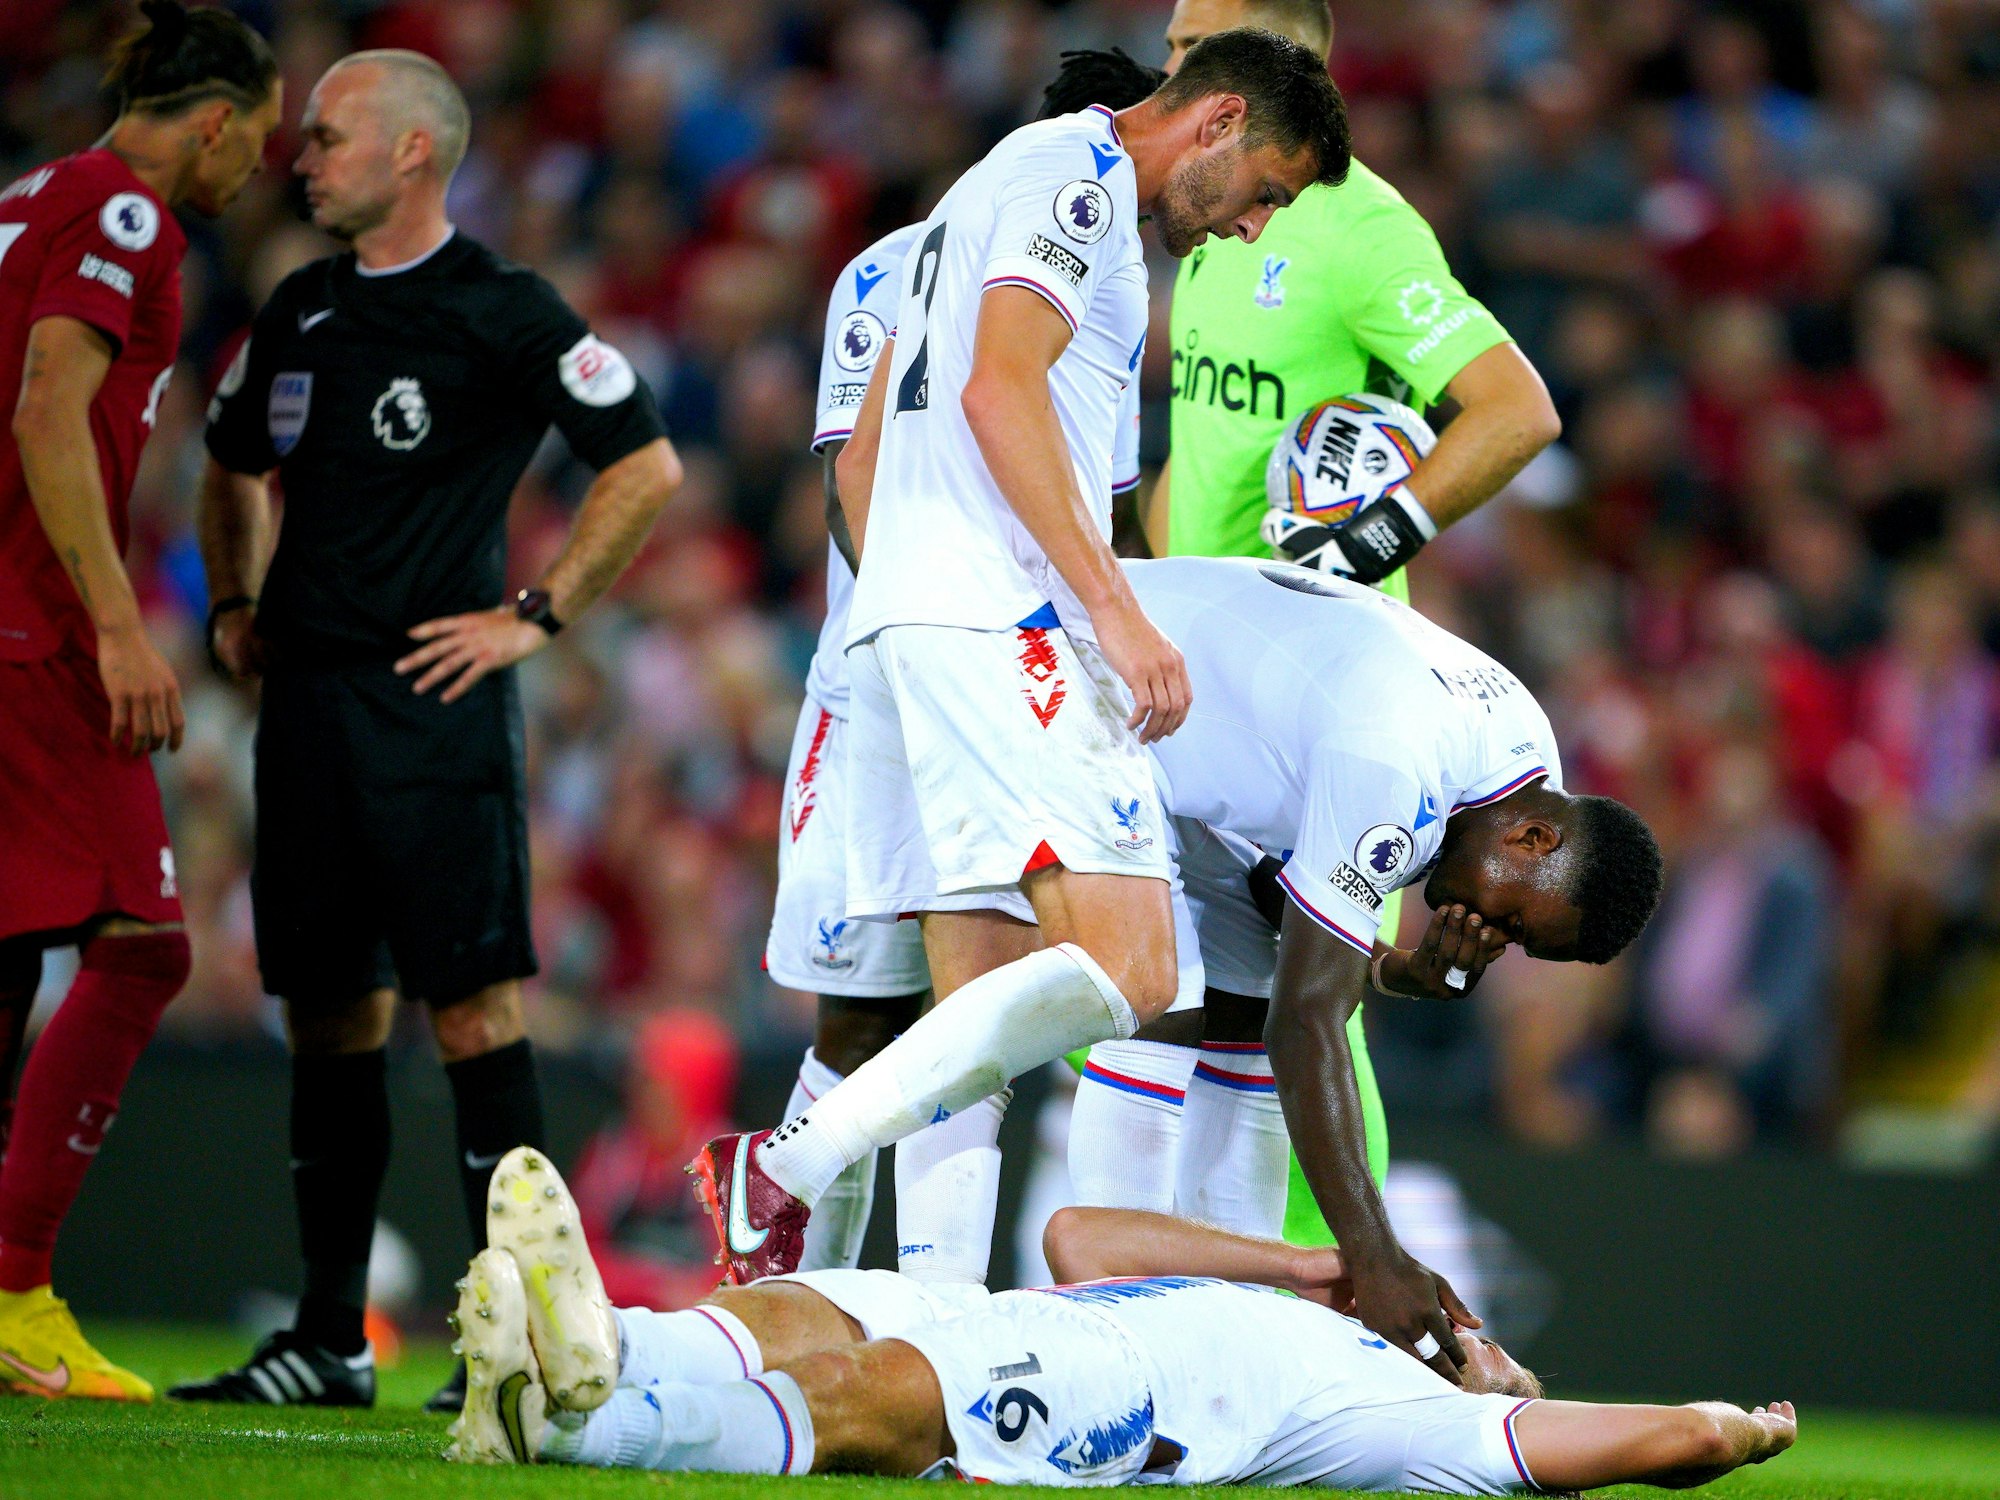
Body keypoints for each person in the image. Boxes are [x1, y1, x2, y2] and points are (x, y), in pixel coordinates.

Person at [692, 26, 1352, 1288]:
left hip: (910, 619)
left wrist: (900, 603)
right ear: (1214, 123)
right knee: (1136, 964)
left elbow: (882, 426)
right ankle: (785, 1166)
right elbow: (998, 393)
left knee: (971, 1009)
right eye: (1265, 188)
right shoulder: (1082, 189)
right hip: (1000, 624)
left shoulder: (994, 180)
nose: (1253, 224)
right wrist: (1106, 610)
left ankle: (936, 1337)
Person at [170, 49, 682, 1410]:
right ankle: (331, 1340)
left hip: (438, 703)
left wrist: (538, 614)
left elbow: (644, 459)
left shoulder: (500, 312)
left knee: (470, 1011)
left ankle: (506, 1348)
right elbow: (228, 467)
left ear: (410, 152)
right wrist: (232, 598)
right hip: (310, 706)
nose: (303, 156)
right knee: (329, 1013)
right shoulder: (297, 312)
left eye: (329, 136)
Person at [868, 556, 1663, 1378]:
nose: (1491, 935)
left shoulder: (1518, 766)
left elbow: (1279, 916)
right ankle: (1071, 1336)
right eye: (1515, 921)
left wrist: (1401, 975)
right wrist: (1375, 1256)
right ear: (1535, 840)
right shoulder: (1400, 763)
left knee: (1244, 996)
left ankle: (1220, 1342)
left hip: (1170, 752)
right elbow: (1309, 1020)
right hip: (1069, 668)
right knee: (1156, 995)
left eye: (1517, 946)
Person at [1140, 0, 1564, 1271]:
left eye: (1186, 46)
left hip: (1308, 683)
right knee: (1182, 996)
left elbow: (1514, 411)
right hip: (1185, 660)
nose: (1163, 70)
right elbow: (1206, 437)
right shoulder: (1210, 209)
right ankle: (1191, 1296)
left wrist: (1368, 542)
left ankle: (1350, 1292)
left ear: (1278, 62)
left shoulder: (1360, 231)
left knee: (1304, 999)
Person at [770, 47, 1161, 1284]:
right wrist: (937, 635)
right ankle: (795, 1297)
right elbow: (854, 479)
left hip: (979, 661)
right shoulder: (910, 264)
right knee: (874, 1017)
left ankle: (915, 1323)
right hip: (917, 664)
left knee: (968, 1001)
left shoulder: (1076, 271)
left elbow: (1103, 504)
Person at [446, 1148, 1798, 1494]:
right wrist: (1315, 1262)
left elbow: (1662, 1437)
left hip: (1114, 1392)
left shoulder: (1411, 1422)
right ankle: (599, 1349)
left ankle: (576, 1429)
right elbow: (1077, 1237)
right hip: (1038, 1305)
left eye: (1490, 1337)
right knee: (815, 1301)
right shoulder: (1313, 1308)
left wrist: (1736, 1432)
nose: (1467, 1327)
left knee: (884, 1387)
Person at [0, 0, 281, 1402]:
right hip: (35, 628)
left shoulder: (30, 193)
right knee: (144, 941)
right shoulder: (124, 217)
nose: (257, 172)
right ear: (217, 120)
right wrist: (116, 625)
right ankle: (20, 1290)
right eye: (261, 139)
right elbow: (48, 408)